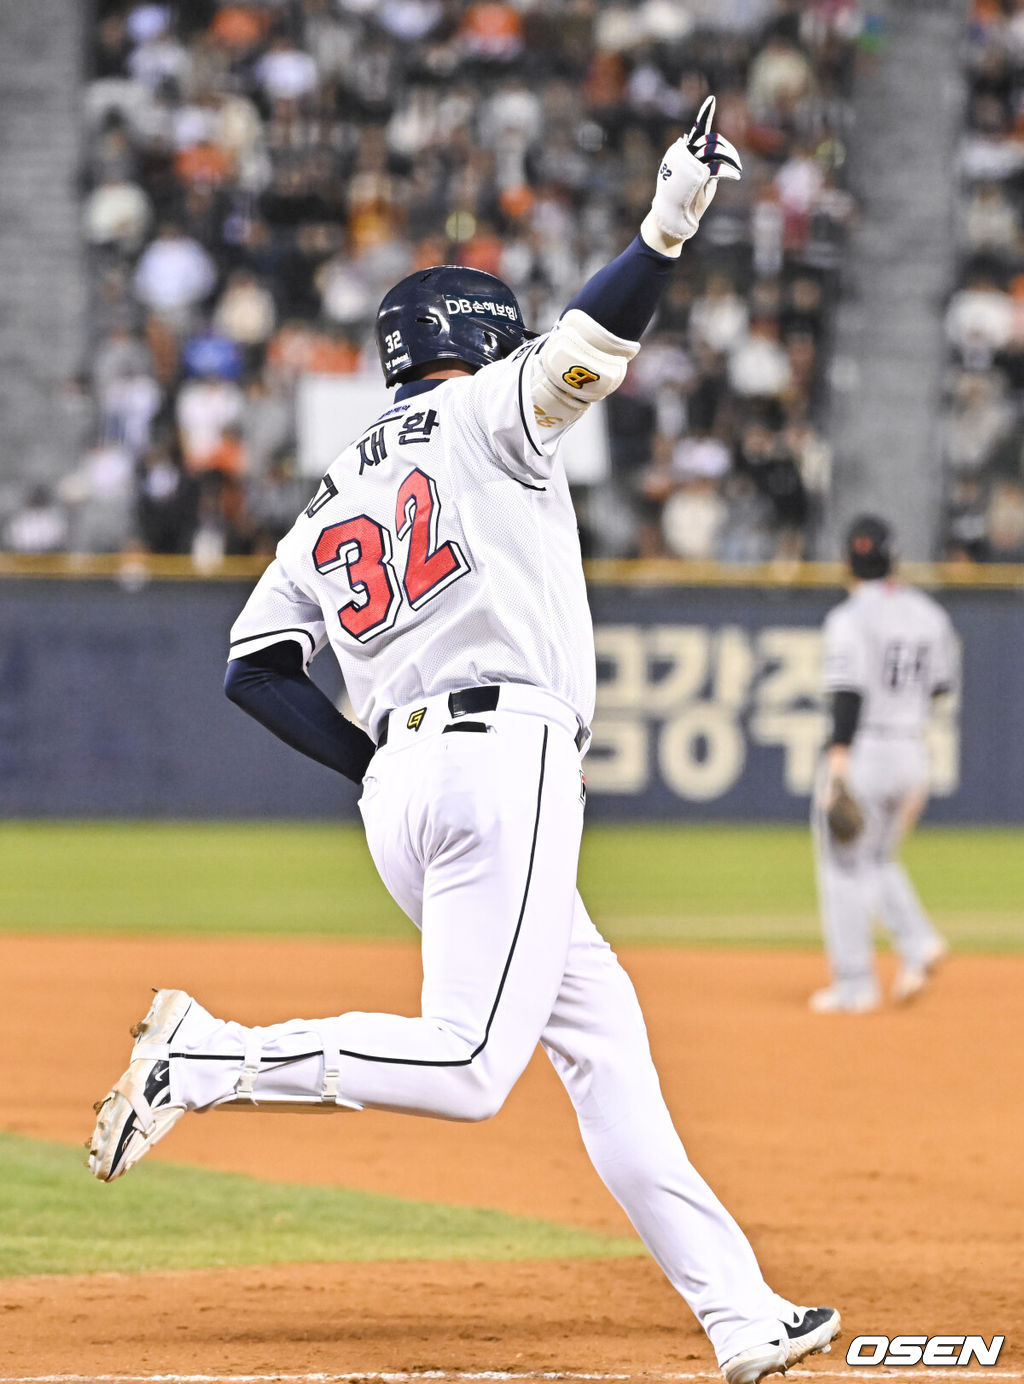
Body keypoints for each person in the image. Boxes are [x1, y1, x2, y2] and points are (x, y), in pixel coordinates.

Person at [89, 99, 839, 1384]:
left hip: (407, 782)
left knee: (603, 1047)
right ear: (479, 339)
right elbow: (594, 343)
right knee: (476, 1066)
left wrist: (367, 762)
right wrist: (667, 225)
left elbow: (254, 667)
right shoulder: (494, 411)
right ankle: (217, 1056)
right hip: (503, 759)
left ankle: (739, 1312)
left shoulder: (334, 484)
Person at [810, 515, 956, 1014]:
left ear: (847, 562)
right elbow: (940, 687)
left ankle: (855, 985)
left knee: (842, 866)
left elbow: (847, 694)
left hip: (865, 749)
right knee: (876, 859)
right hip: (913, 751)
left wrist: (839, 765)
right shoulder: (929, 614)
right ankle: (917, 941)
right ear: (894, 559)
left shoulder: (848, 618)